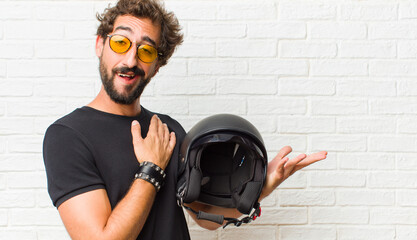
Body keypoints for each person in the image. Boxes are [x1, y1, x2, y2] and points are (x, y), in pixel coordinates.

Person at [42, 0, 327, 239]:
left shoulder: (167, 130)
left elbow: (202, 216)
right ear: (100, 45)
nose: (130, 60)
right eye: (120, 42)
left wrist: (258, 190)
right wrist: (151, 168)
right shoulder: (67, 136)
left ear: (156, 66)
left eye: (146, 50)